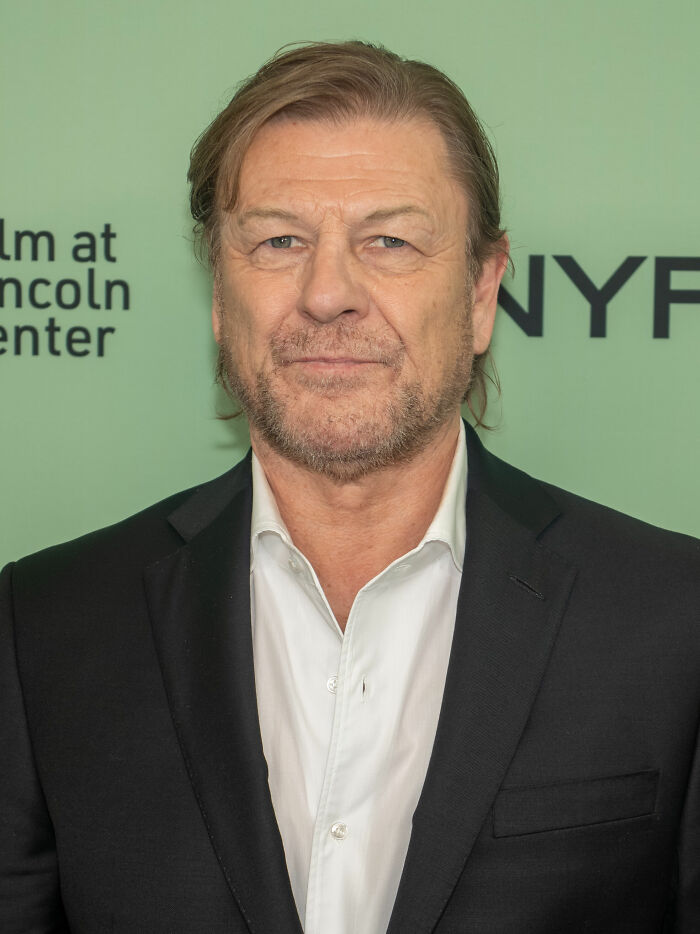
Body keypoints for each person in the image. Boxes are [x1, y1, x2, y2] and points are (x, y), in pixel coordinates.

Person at [1, 40, 698, 934]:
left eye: (391, 240)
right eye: (280, 240)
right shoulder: (50, 625)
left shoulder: (673, 620)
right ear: (219, 292)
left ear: (483, 292)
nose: (328, 292)